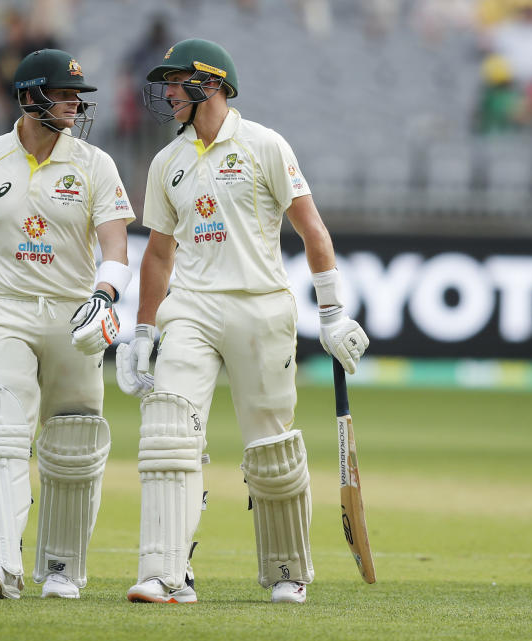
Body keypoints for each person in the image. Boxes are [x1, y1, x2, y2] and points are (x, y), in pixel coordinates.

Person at [115, 39, 369, 605]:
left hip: (261, 306)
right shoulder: (167, 162)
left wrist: (332, 312)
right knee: (168, 435)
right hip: (193, 308)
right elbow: (158, 255)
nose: (168, 93)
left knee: (271, 449)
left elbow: (313, 231)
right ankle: (164, 573)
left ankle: (286, 571)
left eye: (178, 81)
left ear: (212, 84)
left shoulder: (264, 145)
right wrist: (144, 330)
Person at [0, 49, 134, 600]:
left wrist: (105, 292)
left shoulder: (95, 163)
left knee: (74, 441)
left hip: (75, 311)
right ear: (28, 97)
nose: (74, 103)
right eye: (63, 93)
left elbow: (116, 243)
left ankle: (62, 569)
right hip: (5, 308)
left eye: (78, 95)